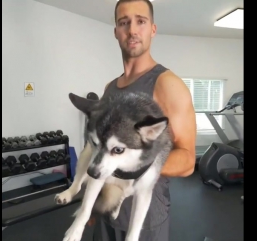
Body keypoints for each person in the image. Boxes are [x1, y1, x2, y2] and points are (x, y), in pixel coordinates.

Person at [92, 0, 196, 240]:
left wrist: (130, 163)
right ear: (116, 32)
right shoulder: (109, 89)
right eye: (124, 22)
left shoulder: (168, 85)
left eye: (141, 21)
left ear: (153, 29)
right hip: (108, 211)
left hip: (145, 219)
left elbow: (188, 160)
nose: (132, 30)